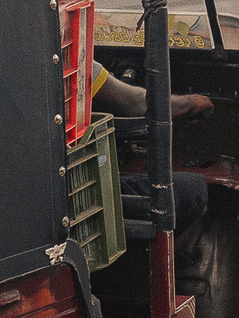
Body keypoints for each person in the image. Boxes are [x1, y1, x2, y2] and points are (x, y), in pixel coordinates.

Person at [88, 52, 212, 232]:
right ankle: (147, 259)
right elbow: (137, 103)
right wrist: (192, 103)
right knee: (193, 188)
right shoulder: (74, 59)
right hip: (76, 195)